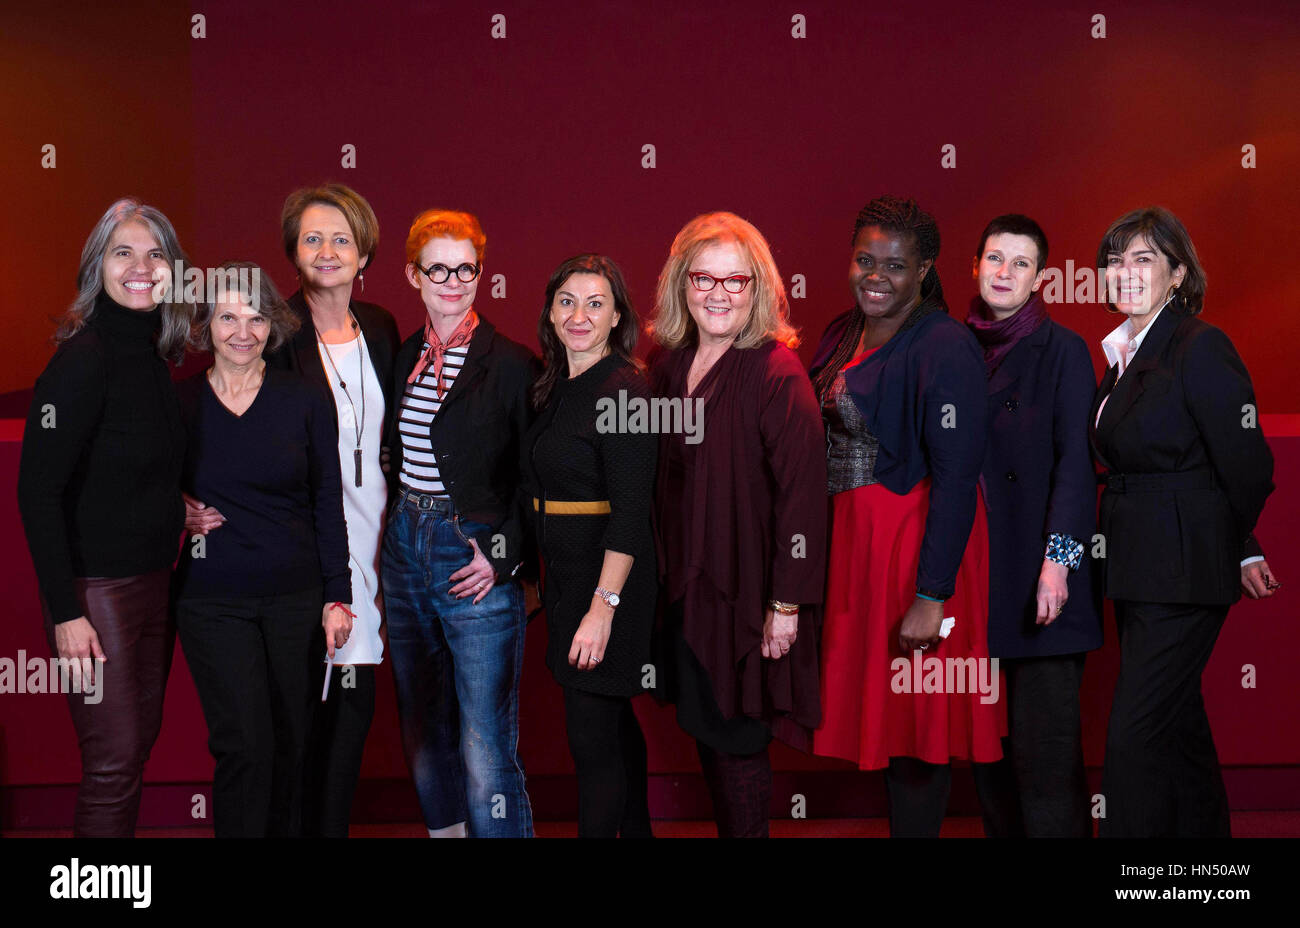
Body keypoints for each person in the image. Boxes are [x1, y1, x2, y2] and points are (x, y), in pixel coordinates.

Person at [810, 195, 1004, 838]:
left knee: (919, 721)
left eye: (894, 266)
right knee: (889, 719)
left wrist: (932, 596)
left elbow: (956, 478)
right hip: (857, 548)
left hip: (915, 552)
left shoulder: (945, 343)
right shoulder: (843, 330)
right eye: (865, 260)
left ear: (923, 270)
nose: (875, 276)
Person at [1090, 206, 1276, 837]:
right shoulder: (1122, 355)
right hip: (1136, 569)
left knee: (1134, 741)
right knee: (1177, 728)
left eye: (1144, 258)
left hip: (1183, 575)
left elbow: (1248, 465)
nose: (1127, 271)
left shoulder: (1199, 346)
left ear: (1176, 274)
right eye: (1117, 260)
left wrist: (1227, 544)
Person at [17, 198, 194, 837]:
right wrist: (67, 614)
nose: (141, 266)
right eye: (124, 252)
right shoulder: (80, 361)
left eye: (155, 254)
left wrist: (179, 510)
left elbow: (126, 473)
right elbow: (37, 493)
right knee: (114, 763)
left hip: (153, 586)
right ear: (99, 266)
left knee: (132, 751)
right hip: (97, 596)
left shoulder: (153, 357)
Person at [649, 212, 827, 839]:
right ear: (682, 284)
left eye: (737, 281)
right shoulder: (669, 366)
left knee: (739, 738)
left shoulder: (776, 372)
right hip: (686, 591)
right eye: (704, 278)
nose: (719, 294)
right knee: (707, 725)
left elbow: (804, 502)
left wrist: (786, 604)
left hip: (750, 595)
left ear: (759, 290)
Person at [173, 262, 353, 838]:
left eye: (255, 318)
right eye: (228, 318)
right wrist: (173, 508)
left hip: (295, 600)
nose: (242, 332)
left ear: (273, 326)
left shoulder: (303, 399)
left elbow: (329, 499)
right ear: (207, 326)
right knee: (243, 745)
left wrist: (338, 596)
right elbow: (133, 483)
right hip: (212, 601)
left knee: (291, 743)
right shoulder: (180, 404)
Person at [382, 210, 538, 838]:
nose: (452, 280)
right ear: (413, 275)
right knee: (422, 724)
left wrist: (501, 556)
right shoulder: (404, 357)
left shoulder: (510, 364)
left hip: (471, 550)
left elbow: (534, 479)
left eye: (465, 268)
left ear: (481, 272)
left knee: (483, 740)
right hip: (404, 545)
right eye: (437, 268)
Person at [964, 214, 1102, 837]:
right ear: (976, 265)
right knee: (988, 757)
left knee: (1045, 760)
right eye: (996, 258)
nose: (1004, 273)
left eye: (1020, 264)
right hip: (975, 578)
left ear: (1040, 278)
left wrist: (1060, 563)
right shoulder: (951, 345)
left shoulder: (1064, 350)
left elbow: (1078, 464)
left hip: (1043, 576)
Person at [522, 254, 657, 838]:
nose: (579, 315)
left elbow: (631, 515)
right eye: (567, 302)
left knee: (592, 738)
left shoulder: (624, 391)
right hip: (567, 581)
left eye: (595, 303)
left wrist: (603, 611)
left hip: (610, 585)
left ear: (616, 316)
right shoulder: (555, 384)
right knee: (612, 725)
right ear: (551, 312)